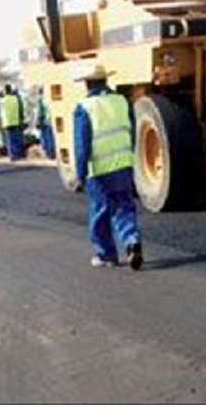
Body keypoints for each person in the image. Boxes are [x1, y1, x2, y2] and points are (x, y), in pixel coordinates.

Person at [73, 64, 142, 270]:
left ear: (87, 84)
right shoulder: (122, 101)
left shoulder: (84, 107)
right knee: (124, 206)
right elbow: (132, 130)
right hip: (123, 165)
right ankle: (132, 240)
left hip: (99, 170)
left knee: (100, 212)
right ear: (105, 80)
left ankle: (106, 255)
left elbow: (81, 145)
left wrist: (81, 174)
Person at [0, 84, 26, 160]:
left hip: (7, 122)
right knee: (16, 138)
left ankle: (12, 155)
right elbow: (20, 110)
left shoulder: (2, 100)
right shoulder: (15, 99)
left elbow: (0, 112)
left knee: (9, 140)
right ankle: (17, 154)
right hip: (15, 121)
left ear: (5, 91)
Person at [35, 88, 56, 159]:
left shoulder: (40, 99)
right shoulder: (50, 97)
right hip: (51, 119)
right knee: (51, 137)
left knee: (46, 137)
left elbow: (39, 110)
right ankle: (52, 152)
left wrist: (38, 120)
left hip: (45, 120)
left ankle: (49, 153)